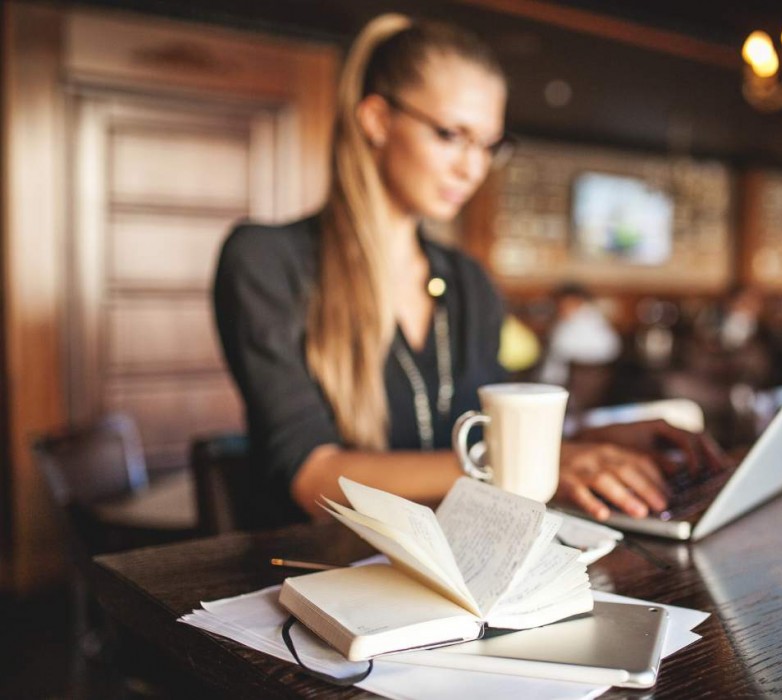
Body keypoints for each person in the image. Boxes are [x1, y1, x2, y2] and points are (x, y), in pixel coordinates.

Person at [214, 14, 696, 527]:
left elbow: (484, 437)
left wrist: (595, 438)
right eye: (450, 135)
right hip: (319, 563)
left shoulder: (470, 282)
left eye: (488, 145)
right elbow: (314, 476)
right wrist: (526, 463)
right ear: (377, 120)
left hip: (458, 560)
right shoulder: (266, 261)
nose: (473, 168)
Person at [538, 282, 622, 386]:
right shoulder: (563, 322)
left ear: (579, 302)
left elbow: (609, 349)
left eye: (568, 303)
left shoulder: (591, 321)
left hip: (580, 379)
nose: (562, 307)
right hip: (556, 379)